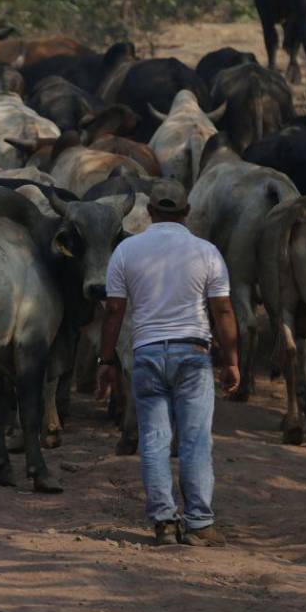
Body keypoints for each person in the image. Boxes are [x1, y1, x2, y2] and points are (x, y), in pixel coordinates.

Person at [96, 179, 240, 547]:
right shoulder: (207, 252)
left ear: (149, 211)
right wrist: (232, 360)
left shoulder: (126, 251)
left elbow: (114, 310)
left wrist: (106, 359)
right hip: (192, 354)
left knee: (154, 440)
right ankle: (199, 524)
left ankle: (164, 522)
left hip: (146, 354)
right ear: (187, 212)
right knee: (195, 440)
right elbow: (223, 309)